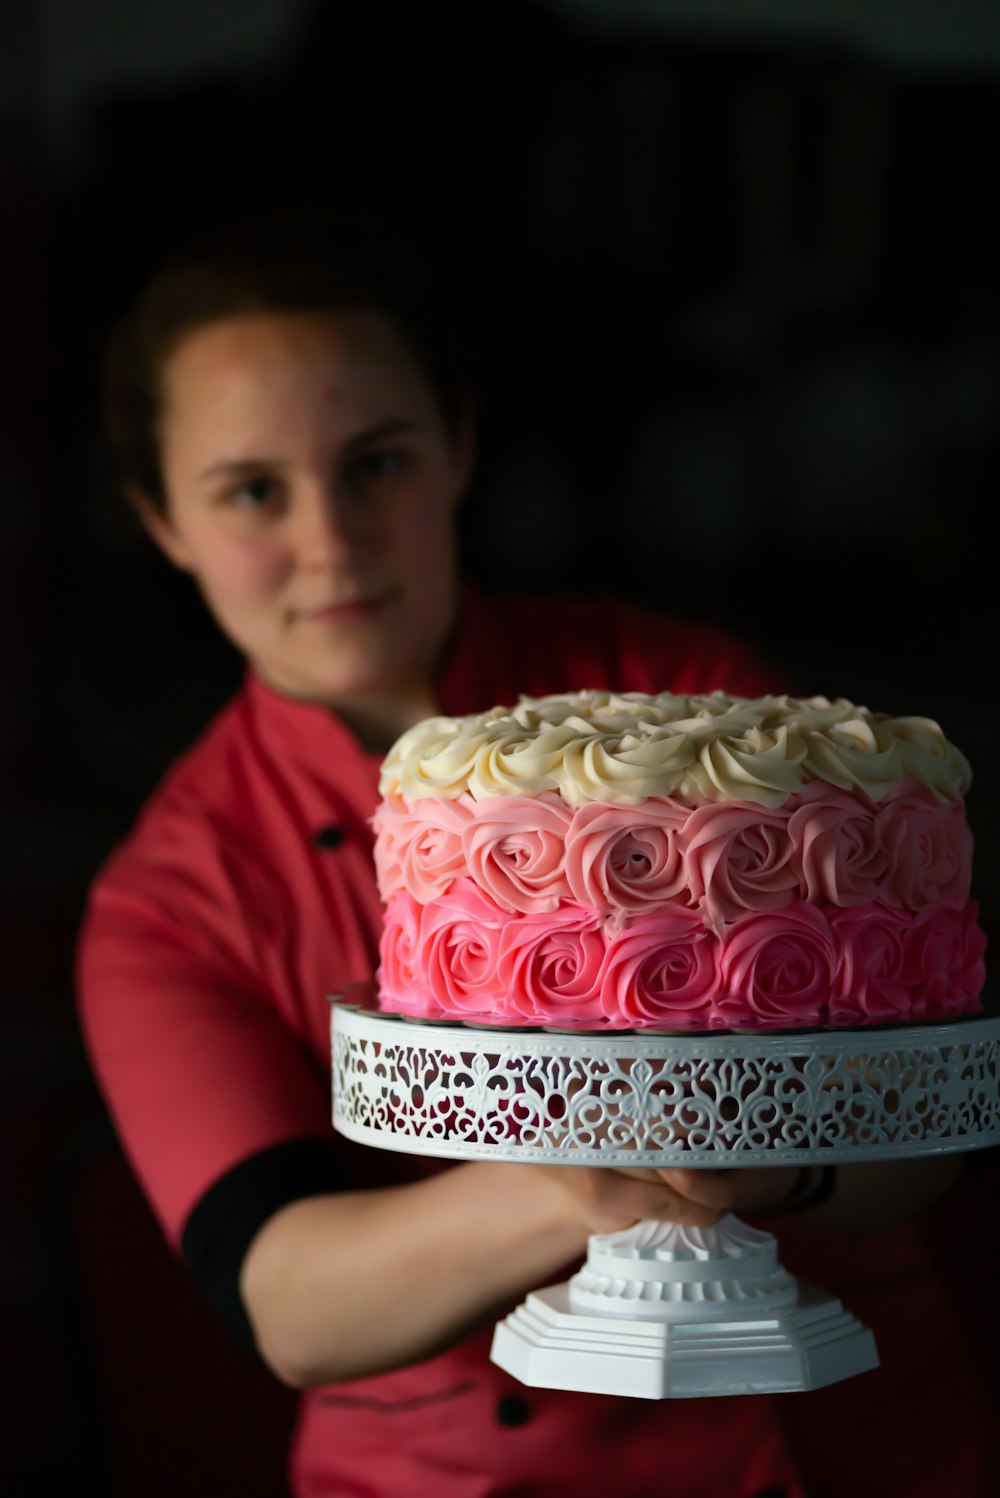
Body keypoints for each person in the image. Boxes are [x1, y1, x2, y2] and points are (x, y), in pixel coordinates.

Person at [77, 209, 992, 1498]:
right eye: (253, 491)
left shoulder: (699, 718)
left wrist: (782, 1152)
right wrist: (607, 1163)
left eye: (378, 462)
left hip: (847, 1436)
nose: (331, 540)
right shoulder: (167, 902)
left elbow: (921, 1115)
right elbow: (288, 1298)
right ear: (163, 517)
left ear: (457, 445)